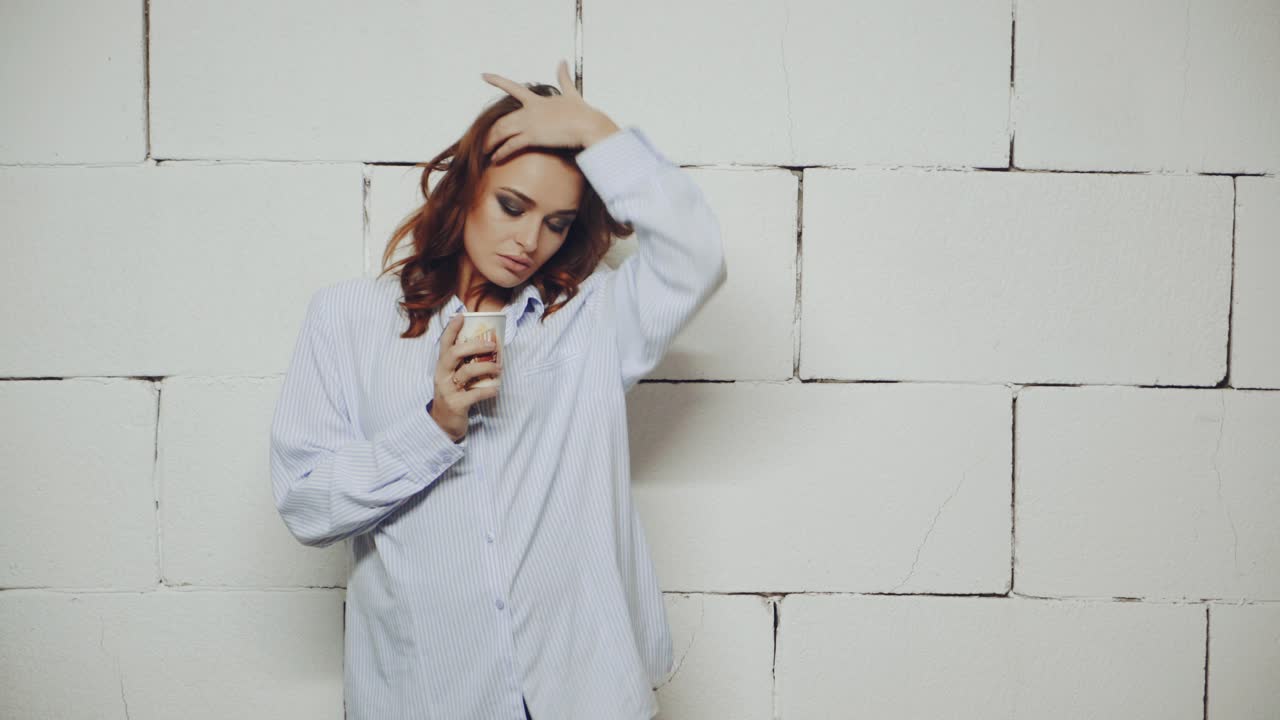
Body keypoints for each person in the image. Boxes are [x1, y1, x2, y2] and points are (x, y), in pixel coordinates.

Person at [269, 60, 727, 720]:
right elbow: (307, 504)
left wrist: (596, 133)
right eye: (512, 206)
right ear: (465, 188)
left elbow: (697, 255)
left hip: (585, 693)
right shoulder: (347, 320)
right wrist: (435, 425)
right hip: (426, 697)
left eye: (558, 223)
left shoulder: (591, 320)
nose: (528, 241)